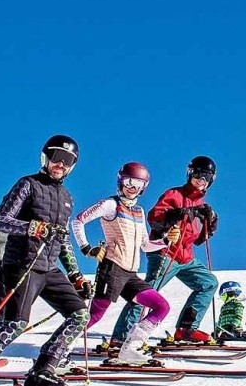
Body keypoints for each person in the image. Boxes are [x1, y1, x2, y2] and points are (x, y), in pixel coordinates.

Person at [0, 135, 94, 386]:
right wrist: (31, 228)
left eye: (67, 161)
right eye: (55, 157)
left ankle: (43, 372)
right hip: (22, 264)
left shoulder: (66, 197)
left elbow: (62, 239)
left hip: (49, 268)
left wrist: (75, 274)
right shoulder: (27, 185)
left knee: (79, 314)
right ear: (45, 158)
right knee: (15, 324)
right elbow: (2, 221)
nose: (60, 164)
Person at [72, 162, 178, 365]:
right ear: (121, 181)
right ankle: (56, 351)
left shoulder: (138, 211)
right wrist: (87, 248)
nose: (132, 187)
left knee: (161, 306)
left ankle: (131, 348)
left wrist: (165, 241)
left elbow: (145, 245)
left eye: (138, 184)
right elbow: (78, 221)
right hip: (112, 268)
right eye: (129, 182)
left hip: (130, 274)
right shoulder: (110, 205)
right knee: (94, 315)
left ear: (144, 187)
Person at [128, 155, 221, 344]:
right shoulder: (174, 194)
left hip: (185, 258)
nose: (201, 180)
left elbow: (199, 240)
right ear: (189, 174)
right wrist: (178, 214)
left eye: (206, 177)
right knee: (147, 294)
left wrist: (210, 222)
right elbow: (154, 217)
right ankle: (121, 338)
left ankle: (186, 329)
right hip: (165, 253)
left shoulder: (200, 205)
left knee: (208, 283)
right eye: (198, 175)